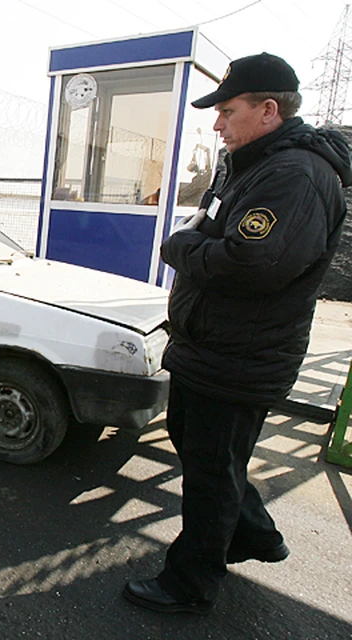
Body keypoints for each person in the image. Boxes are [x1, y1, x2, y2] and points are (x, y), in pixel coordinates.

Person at [124, 53, 351, 615]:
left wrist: (179, 248)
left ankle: (191, 581)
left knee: (209, 474)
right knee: (210, 457)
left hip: (239, 355)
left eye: (227, 111)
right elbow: (220, 228)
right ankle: (252, 534)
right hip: (217, 348)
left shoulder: (294, 175)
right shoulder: (256, 165)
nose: (217, 124)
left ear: (268, 110)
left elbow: (252, 263)